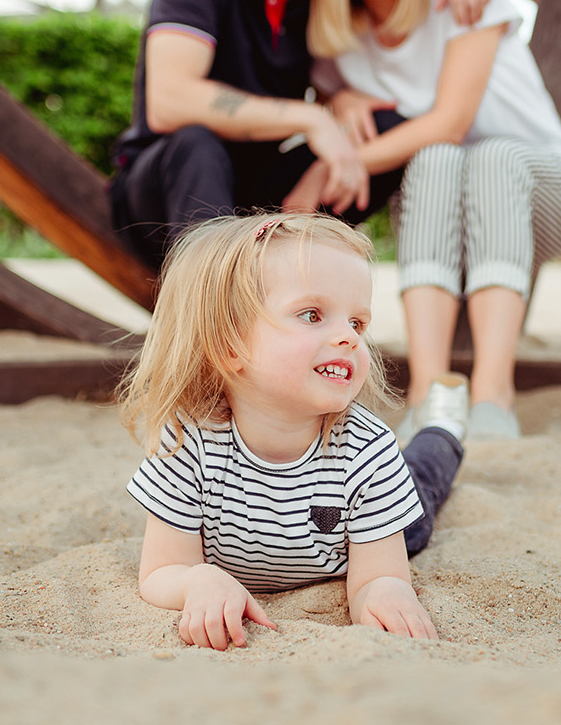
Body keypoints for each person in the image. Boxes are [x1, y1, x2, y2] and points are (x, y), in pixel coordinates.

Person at [302, 0, 561, 442]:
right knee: (436, 160)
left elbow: (449, 119)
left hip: (556, 185)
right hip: (456, 205)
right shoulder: (339, 40)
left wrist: (334, 165)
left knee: (482, 152)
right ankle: (429, 393)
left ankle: (495, 395)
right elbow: (348, 99)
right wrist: (338, 101)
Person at [108, 0, 491, 271]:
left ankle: (298, 278)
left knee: (381, 127)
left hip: (261, 191)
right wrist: (309, 116)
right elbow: (169, 102)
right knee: (198, 142)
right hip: (163, 193)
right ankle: (211, 312)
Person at [119, 212, 469, 650]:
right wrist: (197, 582)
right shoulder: (188, 441)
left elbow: (375, 577)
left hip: (366, 535)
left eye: (358, 323)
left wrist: (383, 590)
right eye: (312, 314)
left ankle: (443, 427)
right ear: (230, 346)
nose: (349, 338)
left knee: (424, 483)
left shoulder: (368, 448)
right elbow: (159, 572)